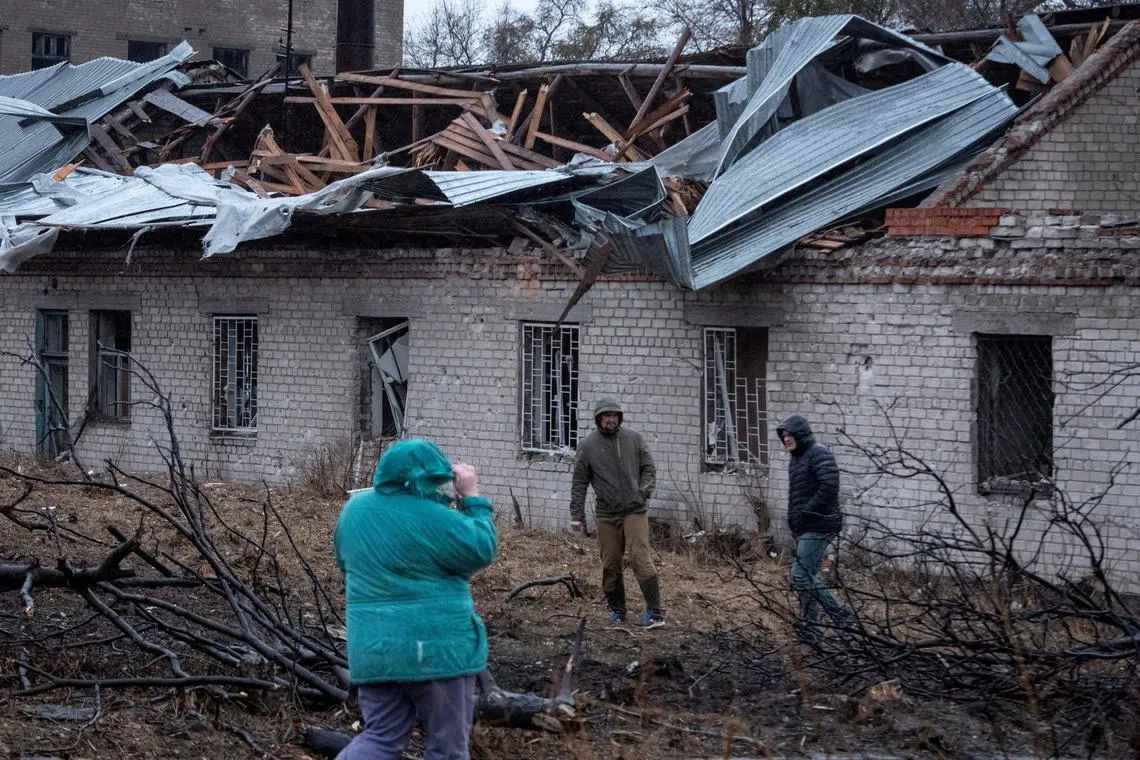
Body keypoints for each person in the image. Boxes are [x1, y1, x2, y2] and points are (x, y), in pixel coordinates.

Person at [333, 439, 498, 760]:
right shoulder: (435, 518)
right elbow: (481, 548)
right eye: (436, 481)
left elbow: (344, 562)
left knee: (381, 738)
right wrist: (472, 497)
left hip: (374, 652)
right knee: (447, 748)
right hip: (436, 652)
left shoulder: (353, 512)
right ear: (426, 479)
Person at [569, 398, 664, 629]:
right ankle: (618, 611)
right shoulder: (588, 446)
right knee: (610, 563)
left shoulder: (634, 439)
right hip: (606, 514)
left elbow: (649, 469)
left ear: (619, 418)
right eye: (606, 415)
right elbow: (580, 481)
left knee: (640, 558)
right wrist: (577, 515)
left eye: (614, 415)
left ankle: (654, 612)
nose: (611, 419)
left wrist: (642, 493)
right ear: (598, 418)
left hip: (634, 511)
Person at [775, 414, 855, 644]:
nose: (787, 439)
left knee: (800, 576)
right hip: (807, 525)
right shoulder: (797, 458)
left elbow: (830, 486)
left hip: (821, 523)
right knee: (808, 575)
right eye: (784, 436)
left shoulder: (817, 453)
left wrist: (806, 513)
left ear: (801, 433)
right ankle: (810, 629)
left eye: (790, 435)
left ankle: (843, 616)